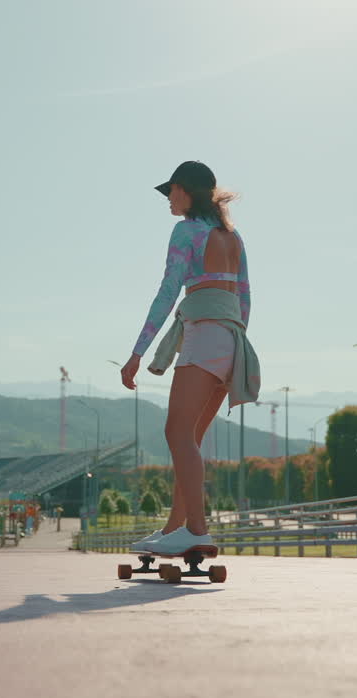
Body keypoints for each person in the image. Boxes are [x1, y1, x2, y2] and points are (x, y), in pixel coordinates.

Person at [119, 161, 261, 555]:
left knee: (177, 433)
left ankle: (197, 529)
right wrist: (236, 346)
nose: (168, 199)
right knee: (191, 440)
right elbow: (246, 295)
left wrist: (137, 353)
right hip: (233, 339)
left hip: (205, 335)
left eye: (172, 191)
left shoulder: (186, 232)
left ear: (185, 191)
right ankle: (174, 529)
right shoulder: (232, 237)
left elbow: (168, 292)